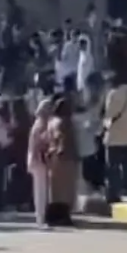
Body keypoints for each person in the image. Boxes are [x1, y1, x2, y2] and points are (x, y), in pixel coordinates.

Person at [103, 73, 127, 203]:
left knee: (112, 167)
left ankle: (113, 193)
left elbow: (109, 114)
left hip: (113, 136)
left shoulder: (112, 94)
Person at [47, 97, 80, 226]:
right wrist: (63, 149)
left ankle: (53, 216)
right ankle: (63, 216)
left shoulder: (52, 121)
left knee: (56, 189)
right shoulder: (64, 122)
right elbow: (63, 138)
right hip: (66, 157)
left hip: (54, 156)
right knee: (67, 190)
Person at [27, 98, 54, 228]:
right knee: (40, 191)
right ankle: (40, 219)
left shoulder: (39, 123)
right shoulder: (41, 125)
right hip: (38, 160)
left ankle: (41, 218)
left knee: (41, 190)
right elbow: (40, 144)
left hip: (37, 160)